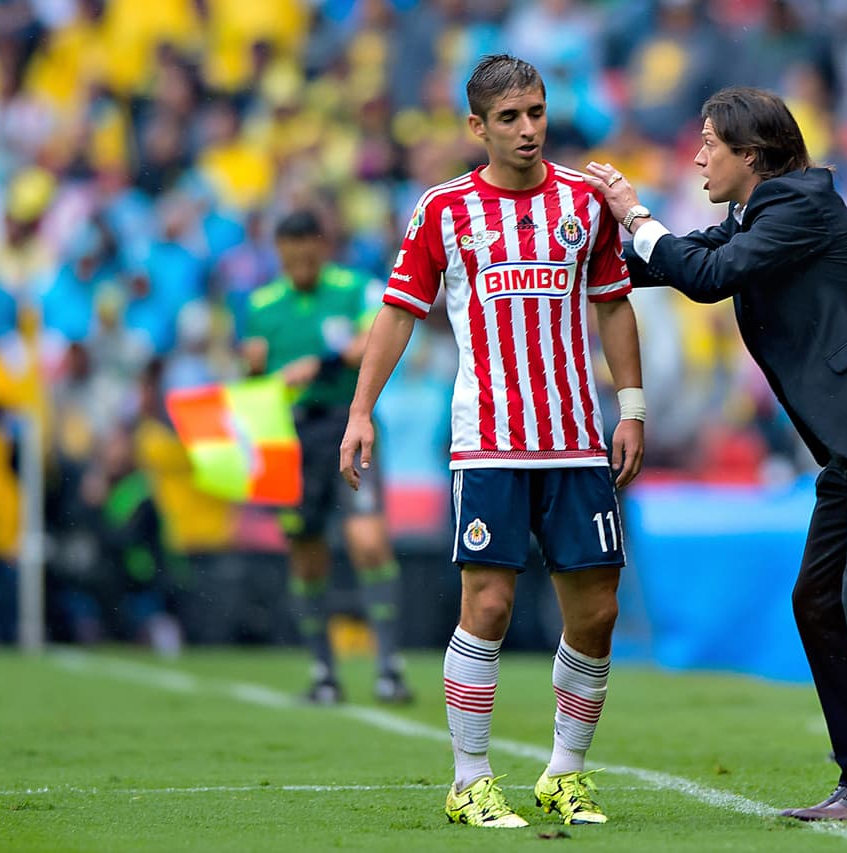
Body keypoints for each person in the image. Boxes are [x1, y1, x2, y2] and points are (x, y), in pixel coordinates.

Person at [586, 86, 847, 823]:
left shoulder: (800, 207)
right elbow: (682, 260)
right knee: (818, 597)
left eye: (709, 144)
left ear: (749, 155)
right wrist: (577, 254)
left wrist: (633, 211)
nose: (696, 156)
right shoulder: (762, 211)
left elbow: (707, 277)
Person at [339, 55, 645, 829]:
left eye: (536, 112)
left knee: (598, 609)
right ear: (477, 127)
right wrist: (361, 410)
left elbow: (612, 305)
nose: (528, 129)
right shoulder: (443, 209)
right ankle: (469, 777)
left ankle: (564, 772)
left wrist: (632, 408)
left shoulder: (585, 201)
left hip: (577, 437)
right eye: (509, 117)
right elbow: (399, 309)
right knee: (491, 601)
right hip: (490, 440)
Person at [242, 209, 412, 706]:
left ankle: (389, 668)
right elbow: (251, 370)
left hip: (346, 422)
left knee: (369, 540)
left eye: (308, 254)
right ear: (279, 253)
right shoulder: (261, 305)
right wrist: (250, 368)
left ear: (322, 248)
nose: (301, 264)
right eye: (291, 256)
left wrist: (318, 365)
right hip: (289, 435)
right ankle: (323, 672)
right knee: (306, 551)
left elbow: (370, 342)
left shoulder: (354, 287)